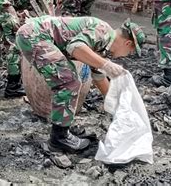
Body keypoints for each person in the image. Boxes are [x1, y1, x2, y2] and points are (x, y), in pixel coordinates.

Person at [16, 16, 146, 153]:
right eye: (130, 52)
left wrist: (118, 109)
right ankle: (59, 138)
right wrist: (106, 64)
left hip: (35, 36)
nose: (126, 55)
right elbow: (75, 47)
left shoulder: (103, 46)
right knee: (68, 81)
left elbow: (99, 78)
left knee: (70, 79)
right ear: (127, 43)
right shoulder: (103, 32)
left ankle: (63, 129)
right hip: (33, 36)